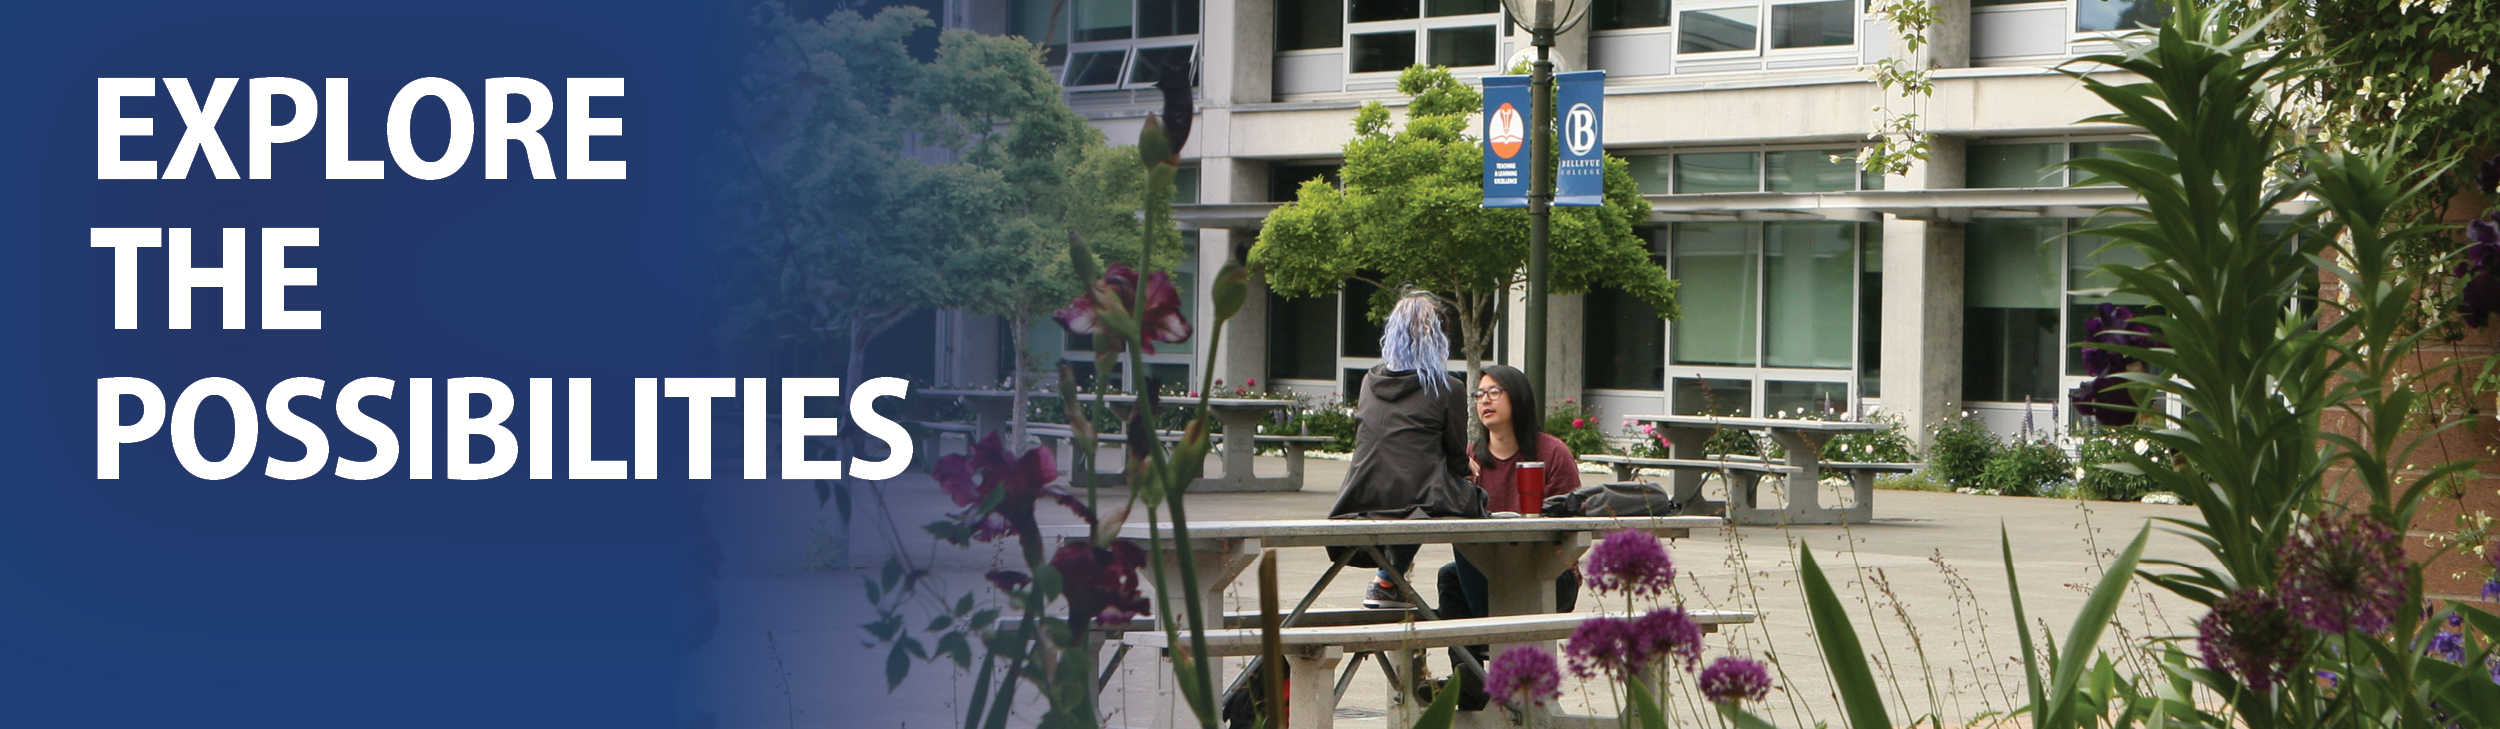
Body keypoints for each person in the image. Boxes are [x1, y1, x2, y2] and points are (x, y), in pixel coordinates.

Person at [1327, 292, 1487, 609]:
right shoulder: (1447, 387)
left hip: (1358, 494)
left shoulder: (1369, 381)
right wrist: (1467, 466)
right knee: (1471, 502)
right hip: (1410, 497)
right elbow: (1455, 458)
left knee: (1414, 492)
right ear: (1439, 338)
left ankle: (1388, 579)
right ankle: (1391, 582)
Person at [1437, 364, 1581, 709]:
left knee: (1468, 566)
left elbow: (1575, 519)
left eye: (1493, 393)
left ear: (1516, 398)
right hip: (1488, 576)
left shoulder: (1551, 453)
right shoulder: (1470, 458)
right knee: (1452, 571)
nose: (1484, 401)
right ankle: (1469, 678)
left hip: (1549, 575)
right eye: (1479, 395)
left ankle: (1488, 654)